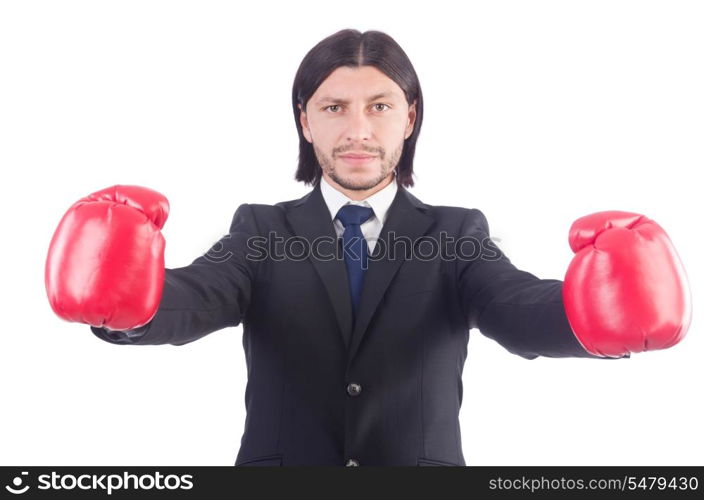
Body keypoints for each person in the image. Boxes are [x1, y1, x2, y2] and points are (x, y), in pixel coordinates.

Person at [45, 29, 691, 467]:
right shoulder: (261, 231)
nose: (358, 130)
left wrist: (597, 318)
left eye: (379, 106)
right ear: (304, 119)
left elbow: (518, 308)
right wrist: (127, 303)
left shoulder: (457, 234)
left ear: (409, 117)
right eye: (333, 108)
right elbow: (195, 296)